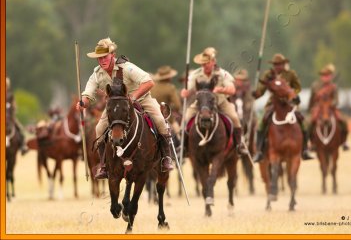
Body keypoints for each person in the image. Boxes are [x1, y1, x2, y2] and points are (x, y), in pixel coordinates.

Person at [76, 37, 174, 180]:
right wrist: (83, 103)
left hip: (142, 99)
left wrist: (133, 97)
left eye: (105, 57)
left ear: (112, 56)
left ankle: (166, 157)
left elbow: (148, 82)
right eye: (99, 58)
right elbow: (88, 93)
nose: (102, 60)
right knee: (98, 129)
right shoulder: (97, 74)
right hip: (116, 105)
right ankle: (104, 165)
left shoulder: (127, 67)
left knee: (160, 121)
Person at [180, 47, 248, 156]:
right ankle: (183, 147)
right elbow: (187, 89)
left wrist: (221, 89)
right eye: (203, 63)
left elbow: (232, 90)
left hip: (221, 102)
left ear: (213, 62)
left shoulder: (223, 74)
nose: (205, 65)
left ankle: (239, 145)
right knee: (185, 118)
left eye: (207, 63)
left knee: (235, 118)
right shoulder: (195, 75)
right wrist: (185, 92)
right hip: (201, 104)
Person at [252, 53, 313, 162]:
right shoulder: (268, 75)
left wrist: (292, 95)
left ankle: (305, 149)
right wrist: (255, 94)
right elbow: (261, 90)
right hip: (273, 103)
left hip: (290, 104)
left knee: (303, 122)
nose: (278, 66)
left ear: (284, 64)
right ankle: (259, 151)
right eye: (275, 64)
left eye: (280, 64)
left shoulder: (291, 74)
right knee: (261, 122)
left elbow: (298, 87)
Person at [307, 63, 349, 151]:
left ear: (330, 77)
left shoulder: (334, 87)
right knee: (309, 123)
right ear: (321, 76)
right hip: (318, 108)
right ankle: (312, 142)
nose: (326, 77)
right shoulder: (315, 86)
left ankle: (344, 142)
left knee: (343, 121)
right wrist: (310, 109)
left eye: (328, 76)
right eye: (324, 75)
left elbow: (336, 100)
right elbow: (311, 100)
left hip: (331, 108)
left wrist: (331, 103)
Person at [150, 65, 182, 137]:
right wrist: (171, 108)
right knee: (178, 131)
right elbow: (177, 106)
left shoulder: (152, 86)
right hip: (166, 116)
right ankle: (180, 145)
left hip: (151, 115)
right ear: (169, 77)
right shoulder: (170, 88)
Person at [6, 77, 28, 154]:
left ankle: (23, 145)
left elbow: (14, 106)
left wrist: (13, 112)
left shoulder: (10, 95)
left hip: (10, 117)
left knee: (20, 129)